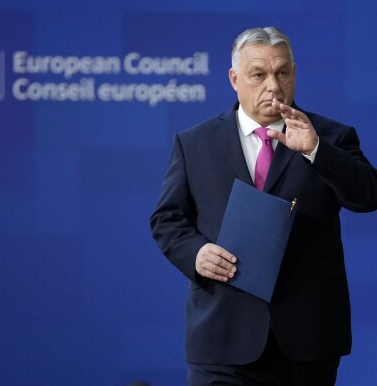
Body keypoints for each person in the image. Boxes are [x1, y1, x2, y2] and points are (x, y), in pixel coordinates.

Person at [149, 26, 377, 385]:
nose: (273, 84)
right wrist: (196, 254)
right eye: (259, 74)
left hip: (307, 339)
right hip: (222, 336)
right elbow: (168, 218)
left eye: (282, 72)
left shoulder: (331, 137)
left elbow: (367, 197)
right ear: (234, 79)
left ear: (294, 74)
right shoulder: (194, 143)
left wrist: (317, 152)